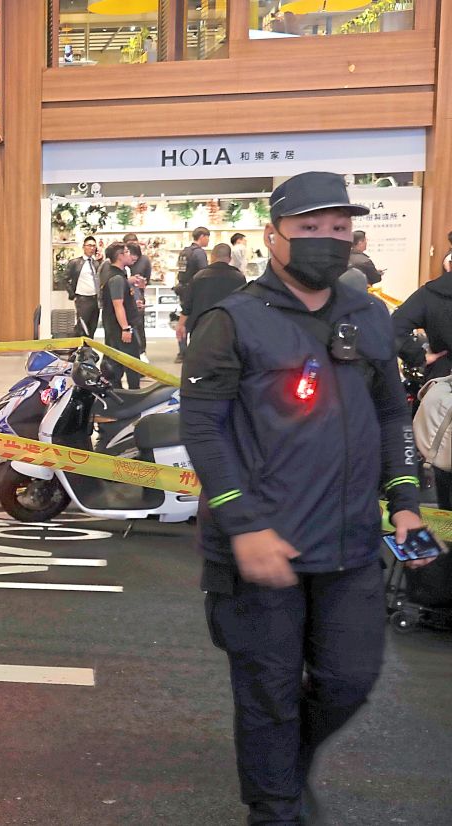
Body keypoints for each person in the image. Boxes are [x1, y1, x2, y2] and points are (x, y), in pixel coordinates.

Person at [179, 172, 431, 825]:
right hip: (261, 550)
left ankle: (283, 768)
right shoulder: (232, 320)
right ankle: (275, 804)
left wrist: (404, 500)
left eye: (339, 229)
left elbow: (391, 416)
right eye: (311, 229)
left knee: (351, 677)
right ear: (273, 236)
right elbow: (203, 427)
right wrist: (243, 524)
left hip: (349, 544)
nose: (328, 241)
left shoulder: (369, 314)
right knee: (268, 693)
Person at [394, 263, 452, 506]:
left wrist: (419, 356)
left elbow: (393, 327)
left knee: (444, 462)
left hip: (444, 386)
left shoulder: (433, 293)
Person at [176, 243, 245, 338]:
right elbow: (243, 304)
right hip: (229, 330)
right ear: (230, 258)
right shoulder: (239, 278)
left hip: (201, 329)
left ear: (212, 257)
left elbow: (188, 305)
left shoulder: (199, 276)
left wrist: (181, 324)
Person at [99, 241, 142, 390]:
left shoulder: (118, 276)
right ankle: (133, 395)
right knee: (131, 364)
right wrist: (125, 328)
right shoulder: (116, 278)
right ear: (119, 256)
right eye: (127, 252)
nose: (130, 255)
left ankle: (118, 393)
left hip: (115, 327)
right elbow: (118, 305)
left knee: (116, 362)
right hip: (119, 329)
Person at [175, 227, 210, 361]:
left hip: (182, 288)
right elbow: (204, 273)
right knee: (197, 321)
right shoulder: (199, 253)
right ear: (202, 236)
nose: (208, 240)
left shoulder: (184, 252)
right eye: (207, 237)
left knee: (183, 319)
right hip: (195, 290)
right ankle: (195, 352)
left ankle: (182, 351)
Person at [63, 237, 102, 337]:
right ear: (84, 247)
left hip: (95, 299)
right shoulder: (75, 263)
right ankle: (76, 348)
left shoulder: (96, 263)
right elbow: (65, 279)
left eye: (94, 246)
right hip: (83, 298)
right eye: (89, 245)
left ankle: (88, 349)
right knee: (82, 327)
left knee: (92, 326)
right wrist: (72, 294)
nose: (92, 248)